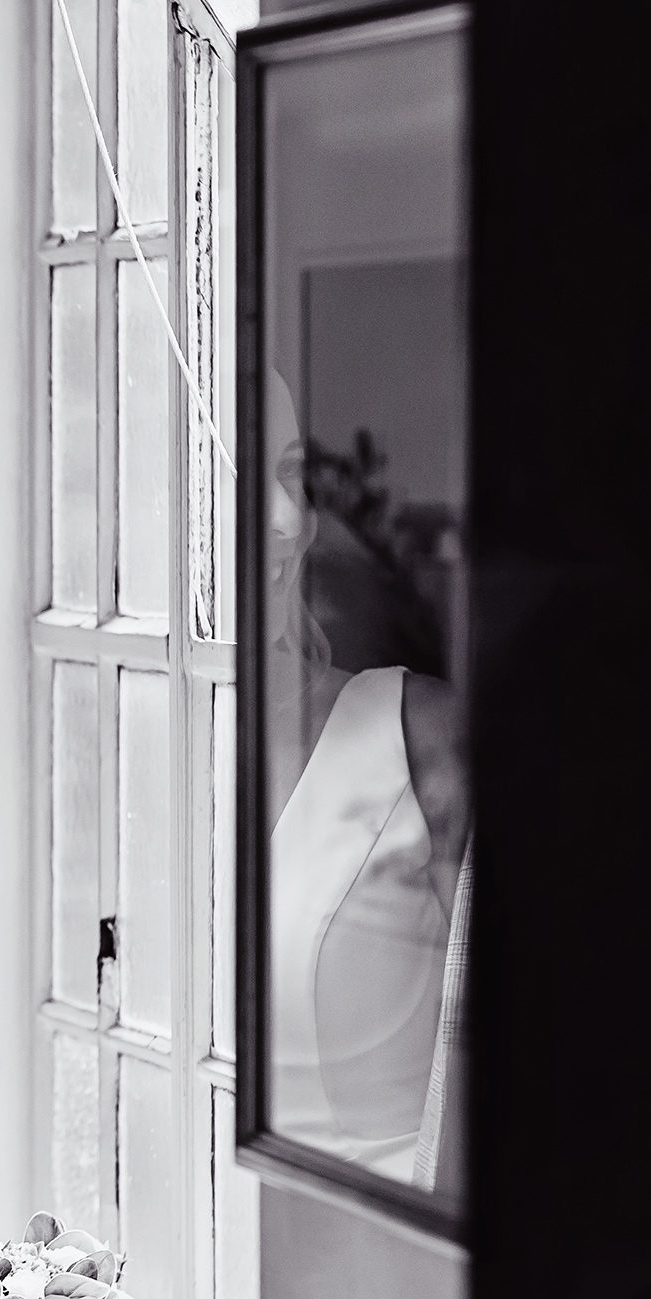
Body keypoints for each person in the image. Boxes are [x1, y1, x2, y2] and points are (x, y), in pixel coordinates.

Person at [263, 375, 469, 1183]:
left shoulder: (420, 738)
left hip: (385, 1269)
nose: (288, 522)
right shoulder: (108, 766)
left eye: (291, 477)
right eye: (241, 484)